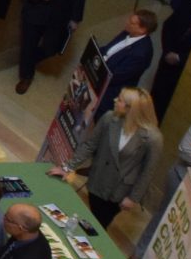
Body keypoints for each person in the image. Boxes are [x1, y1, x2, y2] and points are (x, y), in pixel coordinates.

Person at [55, 85, 164, 229]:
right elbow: (89, 145)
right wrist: (67, 167)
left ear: (130, 108)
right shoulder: (109, 118)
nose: (115, 100)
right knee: (92, 217)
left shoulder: (153, 138)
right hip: (98, 179)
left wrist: (133, 198)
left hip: (118, 191)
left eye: (119, 99)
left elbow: (147, 172)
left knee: (99, 224)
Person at [92, 8, 159, 115]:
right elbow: (108, 49)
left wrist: (96, 70)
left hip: (108, 93)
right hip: (98, 76)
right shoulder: (127, 33)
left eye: (132, 23)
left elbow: (116, 76)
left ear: (142, 30)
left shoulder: (141, 53)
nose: (127, 23)